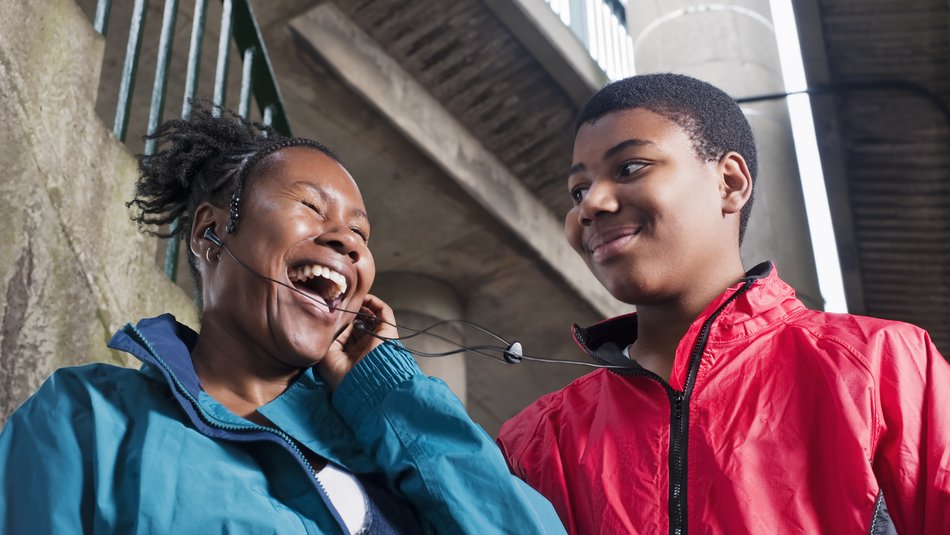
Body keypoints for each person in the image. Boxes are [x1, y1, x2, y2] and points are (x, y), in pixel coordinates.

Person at [0, 104, 565, 534]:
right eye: (312, 207)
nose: (347, 240)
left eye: (362, 235)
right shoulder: (89, 415)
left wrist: (391, 395)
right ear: (209, 233)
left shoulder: (381, 445)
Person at [497, 73, 950, 534]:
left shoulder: (878, 364)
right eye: (578, 191)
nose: (589, 204)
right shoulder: (534, 442)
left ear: (729, 182)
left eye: (630, 167)